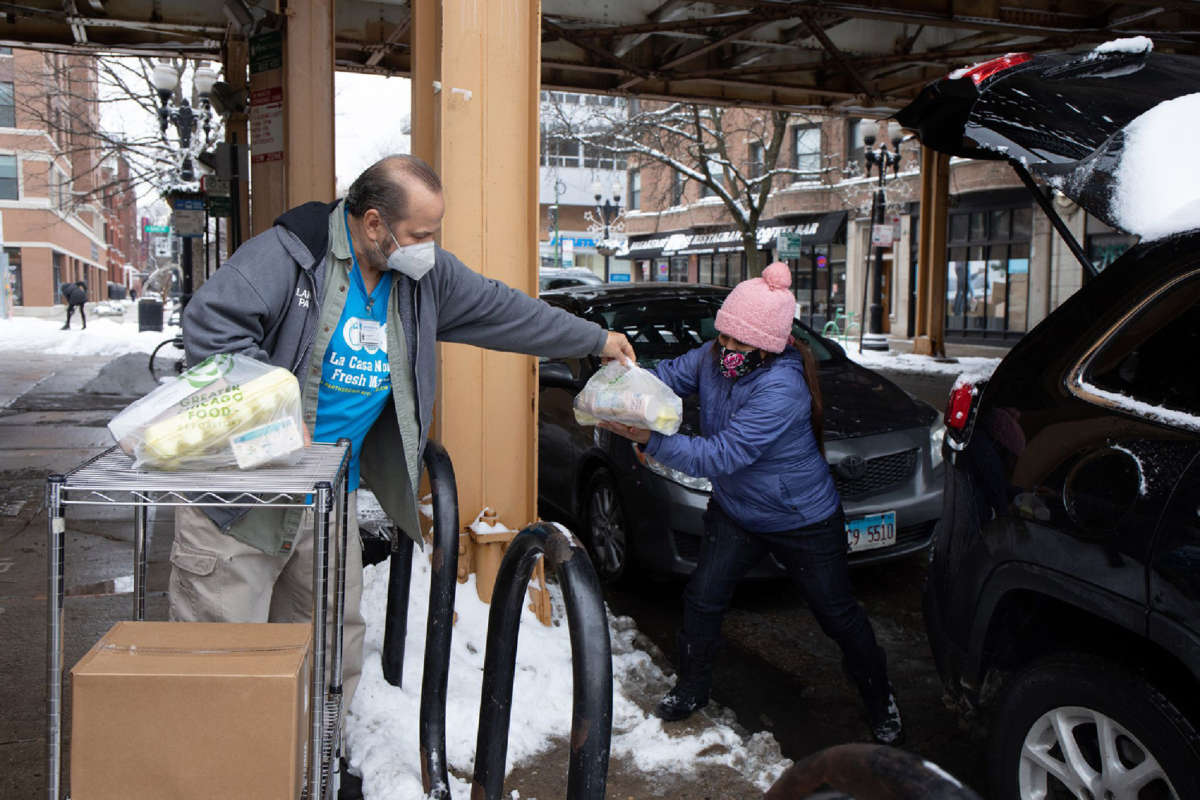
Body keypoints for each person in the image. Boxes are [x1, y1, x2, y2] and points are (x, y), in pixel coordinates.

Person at [171, 155, 635, 783]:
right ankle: (219, 784)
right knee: (225, 656)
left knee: (328, 649)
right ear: (371, 224)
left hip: (328, 497)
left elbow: (505, 311)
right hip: (242, 501)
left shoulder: (421, 279)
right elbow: (209, 326)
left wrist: (593, 339)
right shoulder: (289, 254)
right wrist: (270, 409)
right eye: (419, 234)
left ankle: (306, 772)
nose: (430, 247)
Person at [600, 262, 903, 745]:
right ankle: (693, 687)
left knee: (837, 615)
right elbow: (667, 378)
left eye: (741, 345)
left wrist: (650, 440)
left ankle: (879, 698)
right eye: (724, 339)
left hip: (801, 518)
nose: (728, 352)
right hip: (738, 511)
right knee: (702, 598)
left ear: (770, 345)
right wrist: (625, 384)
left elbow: (723, 455)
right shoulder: (711, 357)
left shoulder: (782, 387)